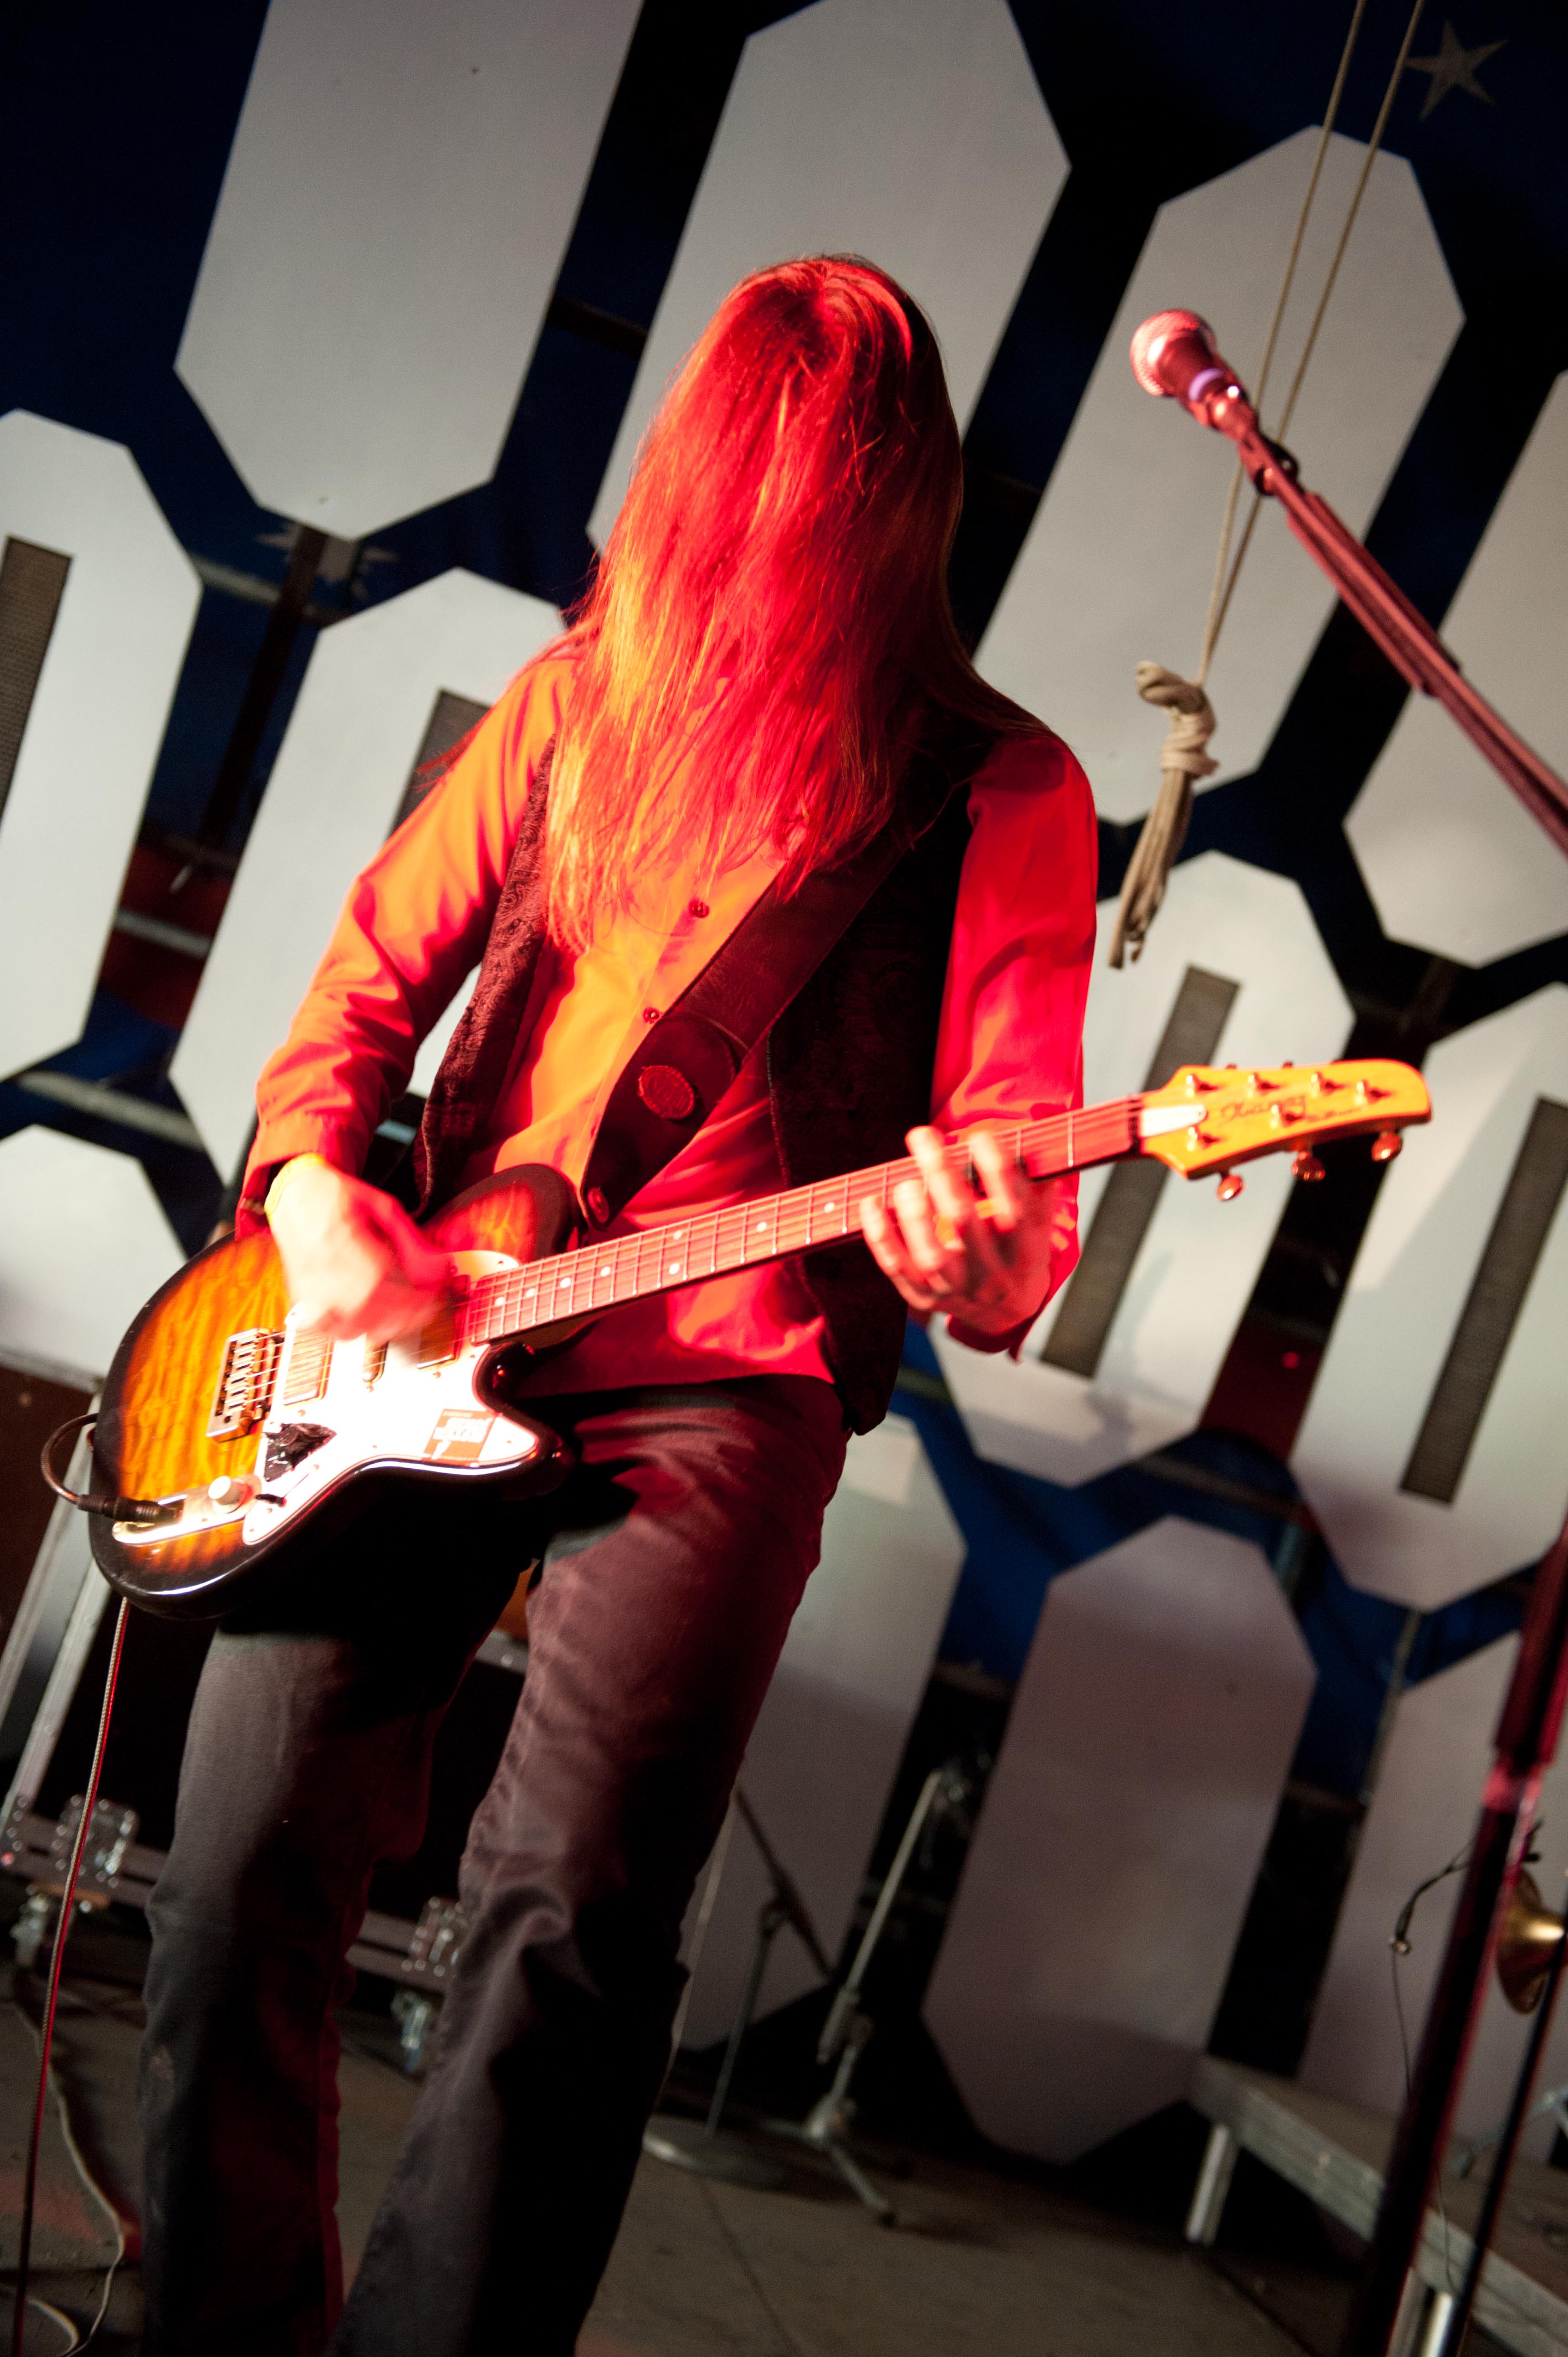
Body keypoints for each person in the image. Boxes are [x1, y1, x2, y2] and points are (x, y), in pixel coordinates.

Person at [135, 256, 1096, 2356]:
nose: (747, 567)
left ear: (890, 524)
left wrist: (987, 1261)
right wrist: (314, 1203)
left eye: (799, 524)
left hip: (727, 1389)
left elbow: (1019, 1192)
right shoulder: (579, 699)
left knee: (565, 1929)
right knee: (230, 1874)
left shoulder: (1001, 790)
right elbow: (359, 992)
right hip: (425, 1342)